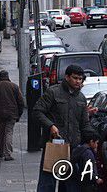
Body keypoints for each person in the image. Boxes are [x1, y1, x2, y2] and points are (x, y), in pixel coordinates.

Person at [33, 64, 94, 192]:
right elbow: (37, 111)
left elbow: (85, 124)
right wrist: (51, 126)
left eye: (80, 79)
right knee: (47, 182)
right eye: (75, 78)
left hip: (73, 148)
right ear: (67, 77)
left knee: (71, 184)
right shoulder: (53, 92)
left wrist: (93, 138)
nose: (78, 81)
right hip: (55, 145)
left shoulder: (81, 98)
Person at [0, 70, 24, 161]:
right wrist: (19, 114)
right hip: (11, 114)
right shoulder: (14, 87)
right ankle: (7, 153)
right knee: (8, 132)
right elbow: (21, 102)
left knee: (1, 133)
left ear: (0, 77)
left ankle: (0, 151)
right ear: (8, 76)